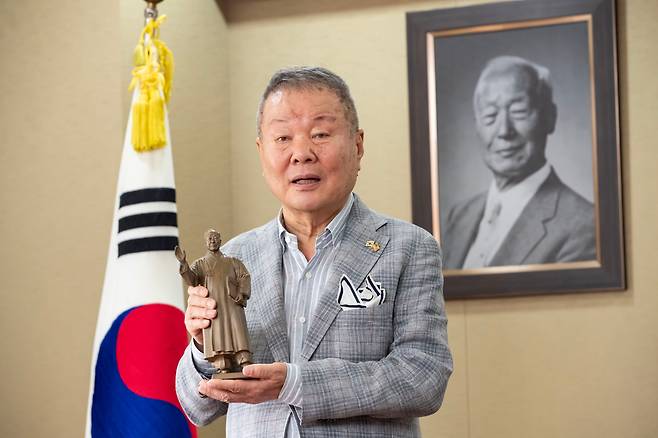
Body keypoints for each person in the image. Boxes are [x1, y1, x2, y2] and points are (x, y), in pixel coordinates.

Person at [176, 67, 452, 437]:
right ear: (261, 152)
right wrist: (200, 343)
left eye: (320, 134)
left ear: (357, 145)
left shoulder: (408, 247)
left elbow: (423, 377)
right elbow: (197, 407)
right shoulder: (234, 255)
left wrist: (294, 382)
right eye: (282, 138)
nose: (301, 153)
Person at [442, 56, 596, 269]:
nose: (504, 131)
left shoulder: (585, 225)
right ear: (476, 125)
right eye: (490, 115)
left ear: (550, 117)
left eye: (519, 112)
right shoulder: (456, 218)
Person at [175, 229, 252, 373]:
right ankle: (223, 365)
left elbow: (244, 276)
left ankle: (244, 360)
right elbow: (191, 280)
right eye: (210, 238)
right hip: (213, 307)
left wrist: (242, 293)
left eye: (215, 237)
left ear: (220, 240)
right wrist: (183, 264)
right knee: (217, 334)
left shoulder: (232, 262)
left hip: (232, 304)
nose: (212, 240)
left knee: (237, 331)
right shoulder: (200, 264)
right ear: (206, 242)